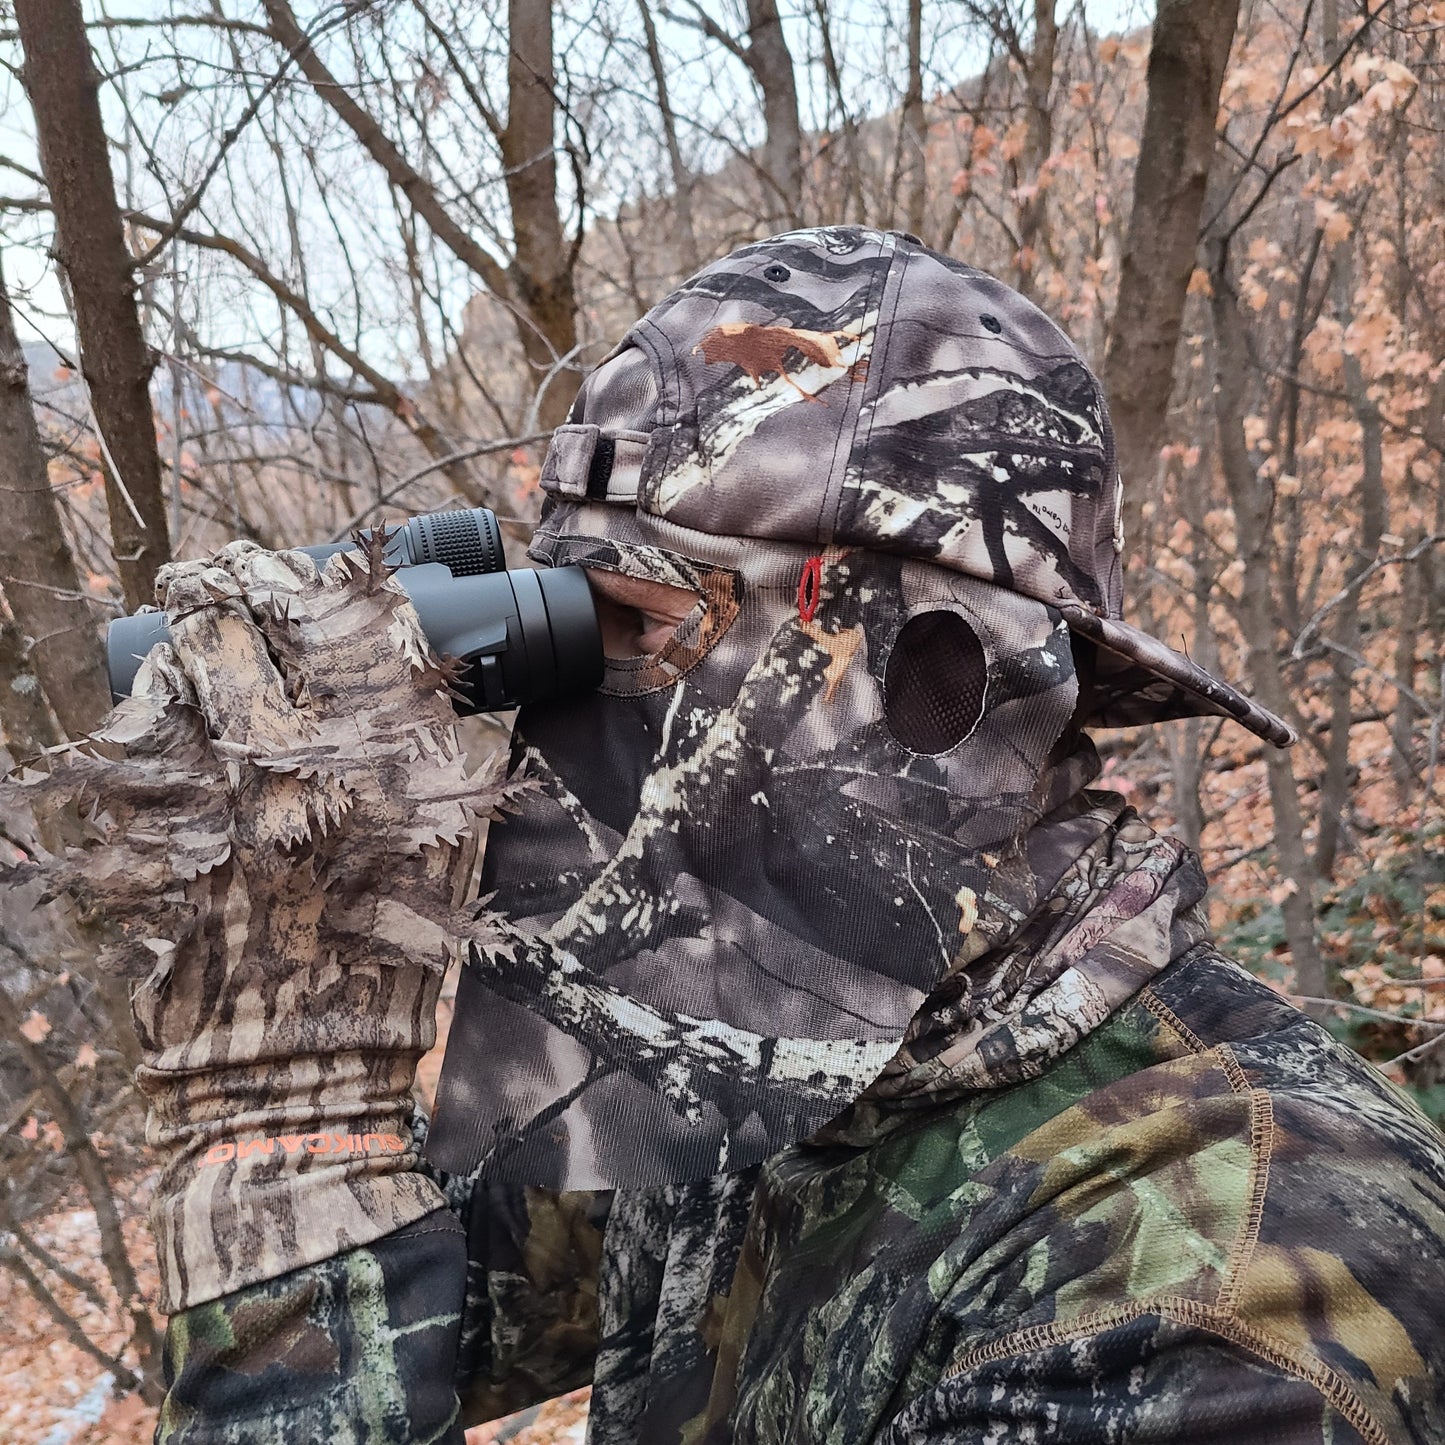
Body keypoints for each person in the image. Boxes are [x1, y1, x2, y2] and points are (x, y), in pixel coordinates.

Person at [16, 228, 1445, 1443]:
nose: (552, 716)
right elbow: (421, 1298)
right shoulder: (799, 1037)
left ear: (928, 679)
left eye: (634, 627)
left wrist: (290, 1146)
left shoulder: (1227, 1287)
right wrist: (322, 976)